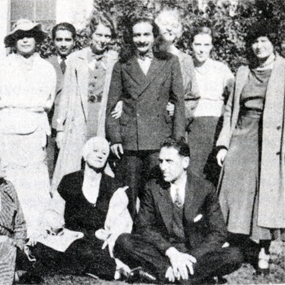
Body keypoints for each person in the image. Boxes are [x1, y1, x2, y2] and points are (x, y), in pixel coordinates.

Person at [114, 137, 243, 283]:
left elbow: (218, 232)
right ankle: (181, 276)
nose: (163, 167)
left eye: (169, 161)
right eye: (161, 161)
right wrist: (171, 252)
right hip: (163, 252)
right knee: (124, 241)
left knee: (235, 255)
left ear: (185, 162)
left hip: (193, 253)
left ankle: (166, 274)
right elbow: (143, 227)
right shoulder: (152, 187)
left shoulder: (205, 188)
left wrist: (189, 257)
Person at [216, 21, 285, 272]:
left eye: (264, 40)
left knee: (264, 193)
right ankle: (226, 240)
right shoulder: (243, 71)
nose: (259, 46)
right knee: (231, 188)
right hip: (241, 136)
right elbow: (230, 110)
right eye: (255, 41)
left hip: (271, 142)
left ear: (273, 42)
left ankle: (262, 250)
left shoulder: (283, 70)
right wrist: (223, 145)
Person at [106, 12, 186, 218]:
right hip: (130, 141)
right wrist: (115, 137)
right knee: (129, 195)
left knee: (158, 194)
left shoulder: (170, 62)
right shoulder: (122, 65)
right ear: (130, 38)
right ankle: (130, 239)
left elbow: (179, 102)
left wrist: (176, 141)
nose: (141, 40)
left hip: (160, 140)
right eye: (136, 35)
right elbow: (112, 105)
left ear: (155, 36)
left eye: (146, 35)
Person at [0, 19, 56, 241]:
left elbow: (46, 101)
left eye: (30, 35)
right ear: (14, 41)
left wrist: (26, 108)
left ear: (37, 40)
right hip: (7, 131)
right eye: (20, 36)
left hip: (34, 130)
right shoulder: (1, 67)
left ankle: (34, 236)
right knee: (9, 178)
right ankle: (6, 233)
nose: (26, 39)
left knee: (33, 184)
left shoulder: (46, 69)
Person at [23, 137, 122, 280]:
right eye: (95, 151)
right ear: (85, 154)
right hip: (69, 238)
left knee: (93, 254)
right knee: (40, 248)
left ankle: (91, 266)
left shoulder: (113, 185)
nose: (100, 155)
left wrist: (109, 234)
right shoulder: (69, 180)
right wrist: (47, 230)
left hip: (98, 242)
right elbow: (54, 212)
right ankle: (93, 268)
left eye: (104, 153)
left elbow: (120, 222)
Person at [51, 12, 118, 195]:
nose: (103, 40)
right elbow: (66, 95)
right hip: (78, 121)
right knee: (72, 168)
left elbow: (121, 91)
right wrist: (61, 128)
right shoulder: (76, 59)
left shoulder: (115, 60)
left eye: (107, 36)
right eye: (99, 35)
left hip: (101, 121)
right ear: (91, 34)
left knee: (99, 166)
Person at [187, 26, 234, 185]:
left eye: (206, 45)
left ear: (212, 47)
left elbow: (235, 96)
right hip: (192, 127)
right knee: (192, 174)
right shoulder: (184, 68)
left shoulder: (221, 69)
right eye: (197, 44)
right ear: (191, 45)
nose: (201, 50)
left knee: (212, 176)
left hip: (215, 128)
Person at [0, 148, 27, 284]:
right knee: (5, 250)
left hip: (11, 247)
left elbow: (19, 223)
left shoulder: (7, 187)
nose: (4, 165)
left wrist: (20, 244)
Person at [155, 8, 200, 122]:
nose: (170, 28)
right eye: (165, 24)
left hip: (174, 123)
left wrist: (179, 110)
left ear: (178, 32)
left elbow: (193, 96)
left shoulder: (186, 60)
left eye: (174, 26)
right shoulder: (149, 55)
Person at [47, 22, 76, 177]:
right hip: (51, 126)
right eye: (59, 40)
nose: (63, 44)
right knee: (51, 169)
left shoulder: (79, 61)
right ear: (53, 42)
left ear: (74, 41)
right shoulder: (47, 64)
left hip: (74, 125)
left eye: (67, 40)